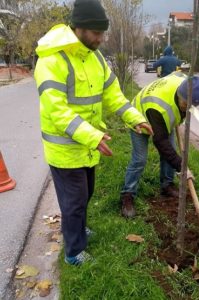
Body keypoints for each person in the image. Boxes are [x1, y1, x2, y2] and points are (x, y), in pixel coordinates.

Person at [34, 0, 153, 266]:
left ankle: (76, 229)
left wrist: (136, 119)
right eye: (96, 33)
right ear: (78, 28)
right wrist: (93, 136)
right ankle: (74, 252)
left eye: (102, 33)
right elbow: (57, 111)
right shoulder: (52, 60)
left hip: (87, 146)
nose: (101, 39)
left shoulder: (95, 57)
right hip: (65, 149)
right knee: (74, 202)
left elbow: (114, 96)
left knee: (85, 194)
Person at [120, 71, 199, 218]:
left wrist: (185, 109)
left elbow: (176, 73)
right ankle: (127, 195)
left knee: (170, 151)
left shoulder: (185, 83)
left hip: (163, 120)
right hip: (139, 118)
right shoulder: (158, 105)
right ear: (180, 94)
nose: (186, 108)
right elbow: (160, 142)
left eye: (190, 106)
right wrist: (182, 166)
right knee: (140, 159)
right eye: (185, 104)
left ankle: (167, 185)